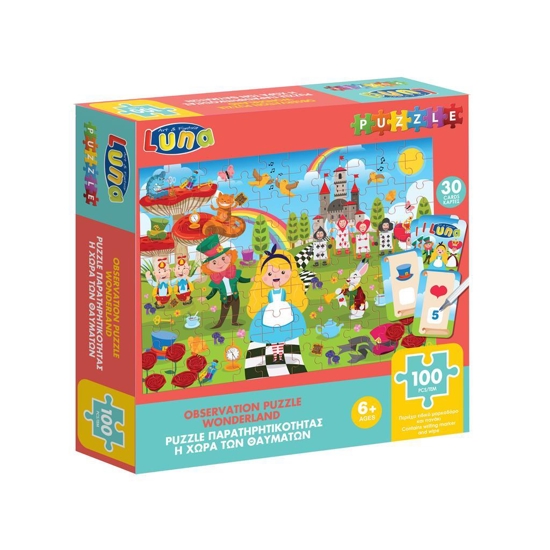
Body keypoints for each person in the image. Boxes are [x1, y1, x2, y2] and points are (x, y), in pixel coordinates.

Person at [247, 245, 308, 362]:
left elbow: (283, 296)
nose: (275, 276)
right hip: (270, 313)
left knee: (282, 336)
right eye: (269, 274)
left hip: (284, 311)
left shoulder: (285, 291)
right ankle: (276, 355)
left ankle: (281, 353)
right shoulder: (266, 293)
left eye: (283, 272)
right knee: (273, 338)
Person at [197, 235, 252, 328]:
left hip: (235, 296)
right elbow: (213, 291)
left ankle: (234, 321)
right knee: (224, 312)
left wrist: (251, 279)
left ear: (230, 256)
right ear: (208, 266)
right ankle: (219, 324)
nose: (219, 263)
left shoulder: (233, 272)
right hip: (225, 298)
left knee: (236, 310)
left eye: (223, 258)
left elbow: (241, 279)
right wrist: (206, 298)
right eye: (214, 262)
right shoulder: (215, 278)